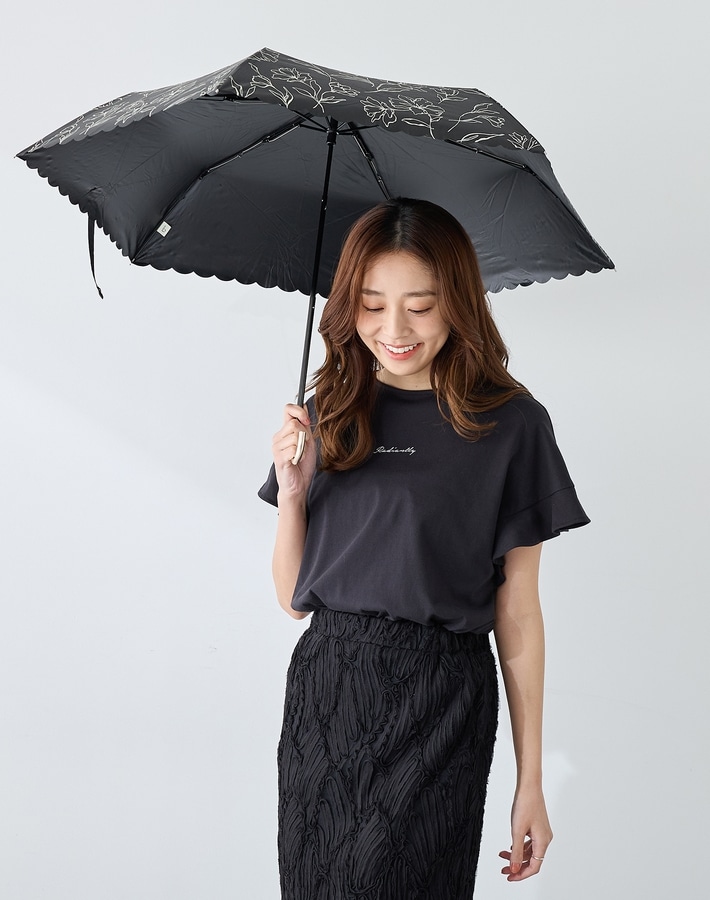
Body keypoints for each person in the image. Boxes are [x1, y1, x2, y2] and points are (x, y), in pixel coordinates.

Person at [258, 198, 589, 900]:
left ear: (458, 303)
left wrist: (530, 781)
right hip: (328, 688)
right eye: (372, 306)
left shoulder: (511, 425)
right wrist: (293, 492)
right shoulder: (327, 413)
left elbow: (519, 613)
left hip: (440, 698)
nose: (394, 330)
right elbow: (293, 600)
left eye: (420, 306)